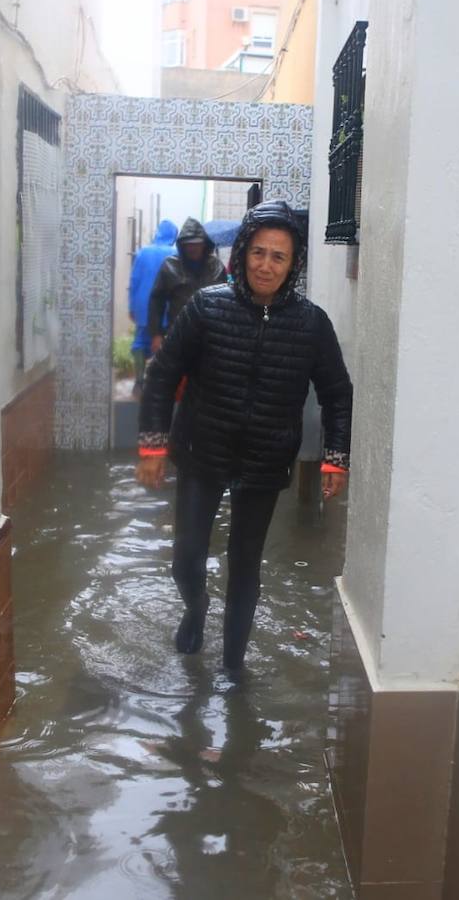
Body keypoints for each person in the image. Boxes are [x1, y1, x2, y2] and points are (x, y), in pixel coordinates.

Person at [136, 200, 352, 674]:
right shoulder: (206, 306)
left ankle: (233, 665)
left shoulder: (311, 324)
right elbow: (162, 374)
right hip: (201, 450)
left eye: (279, 256)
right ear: (241, 255)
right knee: (186, 557)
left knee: (245, 566)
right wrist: (153, 445)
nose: (266, 265)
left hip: (264, 460)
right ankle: (196, 607)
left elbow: (337, 391)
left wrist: (336, 457)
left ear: (294, 264)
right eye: (258, 252)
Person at [146, 217, 227, 355]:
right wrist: (156, 334)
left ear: (204, 244)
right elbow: (156, 301)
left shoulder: (217, 267)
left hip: (210, 336)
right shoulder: (169, 266)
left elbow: (226, 303)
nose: (192, 247)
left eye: (197, 243)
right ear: (181, 245)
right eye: (188, 244)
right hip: (177, 334)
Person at [128, 219, 179, 396]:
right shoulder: (176, 253)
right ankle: (161, 385)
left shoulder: (142, 253)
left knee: (140, 343)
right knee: (167, 344)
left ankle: (138, 383)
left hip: (143, 307)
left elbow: (134, 281)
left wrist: (132, 307)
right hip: (166, 307)